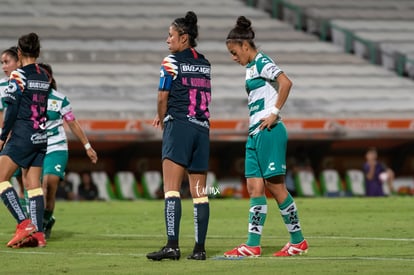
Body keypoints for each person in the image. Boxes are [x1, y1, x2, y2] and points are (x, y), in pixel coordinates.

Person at [223, 16, 308, 257]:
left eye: (233, 52)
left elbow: (286, 82)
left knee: (276, 187)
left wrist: (274, 113)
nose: (233, 57)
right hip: (254, 133)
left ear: (245, 46)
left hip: (269, 131)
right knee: (253, 186)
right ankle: (252, 244)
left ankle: (298, 241)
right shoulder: (250, 68)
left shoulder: (262, 61)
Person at [146, 11, 211, 261]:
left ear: (184, 38)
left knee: (171, 190)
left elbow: (163, 96)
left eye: (170, 35)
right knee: (200, 192)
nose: (167, 40)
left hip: (180, 126)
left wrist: (162, 117)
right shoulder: (205, 62)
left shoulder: (171, 61)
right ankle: (200, 249)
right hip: (202, 129)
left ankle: (172, 245)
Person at [0, 33, 50, 248]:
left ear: (19, 53)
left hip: (22, 134)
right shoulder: (45, 75)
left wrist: (3, 136)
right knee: (33, 186)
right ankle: (38, 236)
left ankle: (24, 223)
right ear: (38, 52)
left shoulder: (18, 75)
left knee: (1, 178)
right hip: (41, 135)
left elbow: (11, 110)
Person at [37, 63, 98, 239]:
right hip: (36, 147)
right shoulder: (28, 99)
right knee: (37, 189)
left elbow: (72, 123)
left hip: (57, 147)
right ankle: (40, 221)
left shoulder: (60, 99)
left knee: (49, 184)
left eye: (44, 76)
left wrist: (87, 146)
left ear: (49, 79)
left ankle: (45, 221)